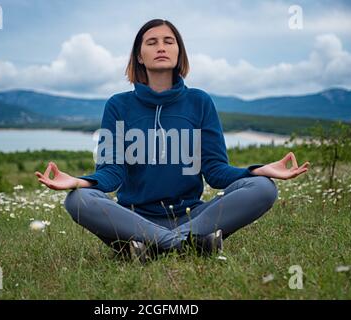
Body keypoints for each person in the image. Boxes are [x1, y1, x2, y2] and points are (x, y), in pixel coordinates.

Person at [35, 19, 310, 262]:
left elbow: (216, 172)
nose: (161, 47)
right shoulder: (118, 106)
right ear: (140, 56)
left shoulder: (199, 102)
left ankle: (153, 246)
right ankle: (184, 244)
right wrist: (77, 182)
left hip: (192, 216)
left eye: (169, 41)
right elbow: (111, 173)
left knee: (263, 188)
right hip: (133, 218)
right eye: (151, 42)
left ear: (179, 52)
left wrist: (258, 170)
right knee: (78, 200)